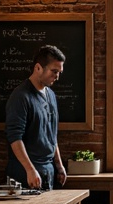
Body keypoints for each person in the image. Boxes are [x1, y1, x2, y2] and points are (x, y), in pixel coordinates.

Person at [5, 45, 67, 190]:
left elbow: (52, 135)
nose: (57, 76)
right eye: (54, 71)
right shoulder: (20, 96)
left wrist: (59, 165)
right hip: (24, 173)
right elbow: (15, 137)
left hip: (48, 171)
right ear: (38, 68)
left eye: (59, 72)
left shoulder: (51, 95)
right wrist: (30, 169)